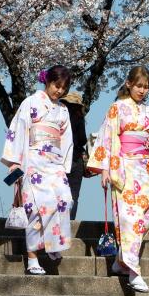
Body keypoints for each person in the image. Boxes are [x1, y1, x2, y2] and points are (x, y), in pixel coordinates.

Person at [86, 66, 149, 293]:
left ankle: (120, 263)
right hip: (124, 170)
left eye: (146, 87)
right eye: (139, 85)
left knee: (143, 220)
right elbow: (107, 138)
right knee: (129, 220)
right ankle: (134, 271)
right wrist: (105, 169)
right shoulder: (116, 108)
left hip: (145, 170)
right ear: (128, 84)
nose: (142, 90)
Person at [1, 65, 74, 275]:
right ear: (47, 82)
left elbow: (66, 140)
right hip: (33, 159)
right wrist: (15, 161)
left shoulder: (63, 111)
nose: (58, 91)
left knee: (63, 200)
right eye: (55, 85)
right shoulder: (31, 102)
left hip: (54, 162)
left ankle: (53, 244)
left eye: (63, 88)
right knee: (34, 207)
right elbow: (19, 129)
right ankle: (32, 258)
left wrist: (64, 165)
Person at [60, 91, 88, 220]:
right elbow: (82, 139)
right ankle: (70, 222)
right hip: (75, 159)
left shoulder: (58, 115)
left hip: (59, 158)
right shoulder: (78, 117)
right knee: (73, 195)